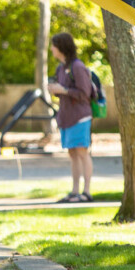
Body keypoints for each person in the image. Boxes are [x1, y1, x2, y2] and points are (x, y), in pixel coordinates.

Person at [47, 32, 95, 203]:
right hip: (66, 117)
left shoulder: (77, 67)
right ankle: (75, 191)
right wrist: (56, 90)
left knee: (82, 152)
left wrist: (64, 90)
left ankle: (86, 192)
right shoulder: (61, 68)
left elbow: (85, 93)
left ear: (61, 47)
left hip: (80, 117)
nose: (51, 48)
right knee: (72, 154)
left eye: (54, 45)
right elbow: (64, 91)